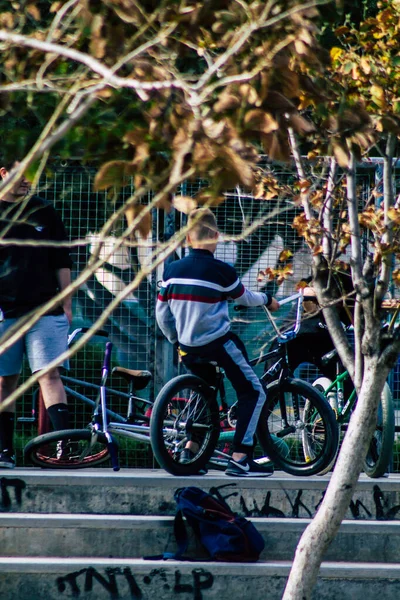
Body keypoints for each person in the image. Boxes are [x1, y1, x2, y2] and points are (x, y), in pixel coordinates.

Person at [156, 207, 280, 477]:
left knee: (205, 391)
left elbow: (162, 315)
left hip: (187, 348)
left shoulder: (171, 271)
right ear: (215, 236)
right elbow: (244, 297)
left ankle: (190, 450)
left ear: (188, 238)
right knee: (254, 391)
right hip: (217, 344)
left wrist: (177, 342)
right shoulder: (221, 272)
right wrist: (268, 300)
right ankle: (240, 458)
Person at [0, 160, 73, 468]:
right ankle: (5, 452)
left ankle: (64, 447)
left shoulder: (44, 210)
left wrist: (67, 304)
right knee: (5, 381)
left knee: (49, 375)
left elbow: (61, 258)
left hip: (45, 310)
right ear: (3, 173)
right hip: (5, 313)